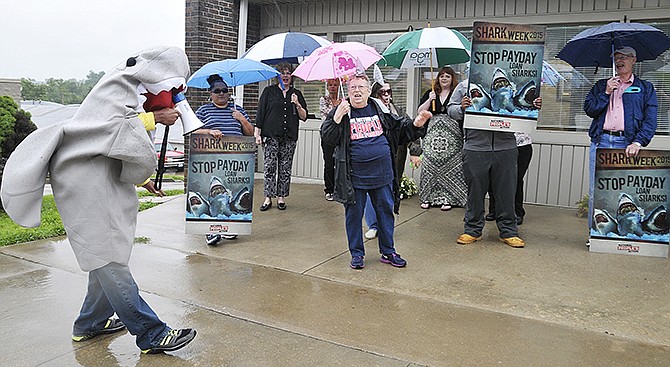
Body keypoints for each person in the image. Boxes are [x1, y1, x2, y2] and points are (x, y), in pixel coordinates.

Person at [1, 46, 196, 354]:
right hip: (83, 181)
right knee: (107, 258)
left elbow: (112, 142)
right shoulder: (115, 87)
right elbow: (105, 129)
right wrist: (154, 118)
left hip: (99, 176)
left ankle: (88, 324)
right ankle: (151, 333)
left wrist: (144, 179)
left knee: (107, 254)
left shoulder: (133, 92)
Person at [321, 73, 431, 269]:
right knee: (353, 217)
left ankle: (388, 252)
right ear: (348, 90)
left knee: (385, 213)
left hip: (382, 173)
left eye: (361, 87)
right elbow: (327, 139)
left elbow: (398, 128)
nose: (356, 91)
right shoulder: (342, 111)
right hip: (354, 177)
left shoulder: (379, 108)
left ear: (368, 91)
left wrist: (416, 125)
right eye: (353, 87)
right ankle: (356, 254)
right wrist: (336, 118)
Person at [447, 78, 541, 248]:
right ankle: (472, 230)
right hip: (475, 146)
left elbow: (523, 110)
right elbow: (450, 110)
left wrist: (534, 105)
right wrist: (461, 107)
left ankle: (509, 231)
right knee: (475, 191)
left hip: (506, 146)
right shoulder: (464, 85)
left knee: (507, 190)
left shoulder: (513, 85)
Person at [584, 45, 658, 234]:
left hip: (627, 144)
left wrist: (638, 142)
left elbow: (650, 120)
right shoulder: (602, 85)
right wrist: (607, 92)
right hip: (601, 142)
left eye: (625, 57)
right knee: (597, 189)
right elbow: (589, 109)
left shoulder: (644, 88)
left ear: (634, 60)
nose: (620, 60)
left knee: (627, 188)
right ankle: (596, 235)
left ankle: (630, 232)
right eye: (616, 57)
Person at [195, 74, 254, 245]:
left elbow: (249, 134)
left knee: (232, 194)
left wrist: (241, 119)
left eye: (224, 90)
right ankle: (210, 231)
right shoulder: (203, 111)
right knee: (212, 195)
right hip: (211, 159)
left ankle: (228, 228)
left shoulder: (239, 110)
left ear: (229, 93)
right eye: (217, 91)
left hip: (235, 159)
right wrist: (208, 132)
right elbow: (191, 132)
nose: (221, 94)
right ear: (211, 93)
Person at [255, 62, 308, 211]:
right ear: (277, 76)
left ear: (292, 76)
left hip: (289, 137)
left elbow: (304, 117)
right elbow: (260, 113)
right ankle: (268, 198)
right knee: (270, 167)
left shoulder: (296, 93)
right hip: (271, 135)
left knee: (285, 168)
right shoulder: (268, 91)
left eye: (288, 73)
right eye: (282, 73)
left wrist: (297, 104)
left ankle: (281, 197)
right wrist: (257, 133)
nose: (285, 76)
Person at [416, 66, 467, 211]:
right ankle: (427, 197)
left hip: (452, 136)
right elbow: (420, 111)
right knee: (430, 165)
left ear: (452, 79)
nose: (444, 78)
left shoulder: (457, 93)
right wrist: (430, 99)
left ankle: (448, 198)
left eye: (447, 76)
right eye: (442, 76)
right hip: (433, 135)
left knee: (451, 166)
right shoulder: (431, 93)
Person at [485, 132, 533, 225]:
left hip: (521, 145)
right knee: (494, 177)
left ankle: (517, 212)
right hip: (498, 145)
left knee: (516, 179)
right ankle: (494, 210)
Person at [319, 78, 342, 202]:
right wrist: (338, 108)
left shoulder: (343, 100)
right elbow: (328, 115)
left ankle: (339, 188)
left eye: (335, 85)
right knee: (329, 162)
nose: (333, 87)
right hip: (327, 135)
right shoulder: (324, 99)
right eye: (330, 85)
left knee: (339, 161)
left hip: (339, 135)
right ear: (327, 87)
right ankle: (329, 189)